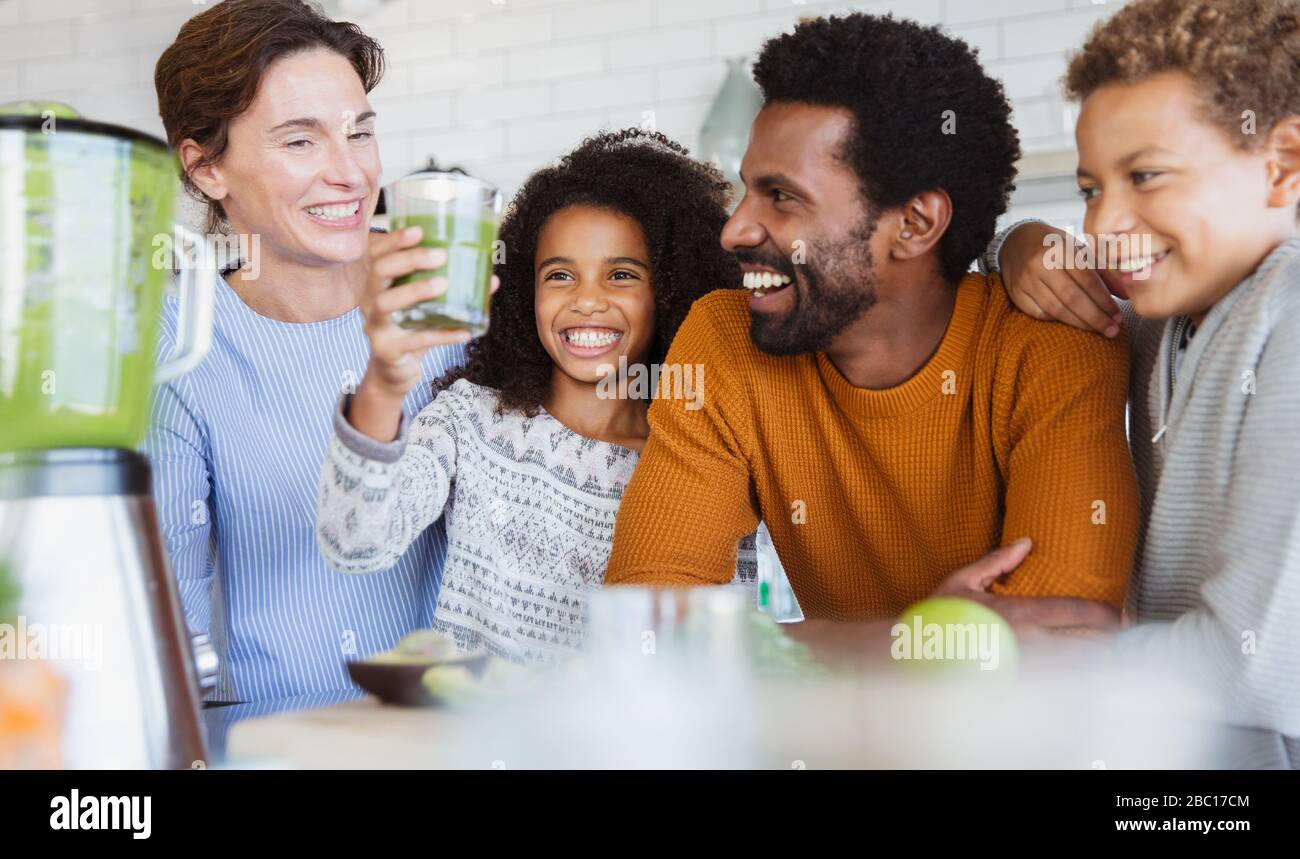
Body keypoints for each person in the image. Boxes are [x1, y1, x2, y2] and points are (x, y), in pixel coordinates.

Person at [605, 13, 1139, 647]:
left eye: (781, 196)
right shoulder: (725, 338)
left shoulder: (1052, 342)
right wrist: (910, 638)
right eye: (746, 191)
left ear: (914, 224)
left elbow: (1056, 643)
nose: (735, 231)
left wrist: (791, 647)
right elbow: (645, 628)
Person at [986, 0, 1300, 767]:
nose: (1103, 226)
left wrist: (1009, 659)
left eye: (1146, 176)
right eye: (1093, 188)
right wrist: (1016, 243)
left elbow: (1254, 667)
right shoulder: (1174, 310)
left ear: (1282, 165)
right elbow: (1028, 266)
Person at [316, 130, 744, 663]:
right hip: (487, 739)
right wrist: (384, 379)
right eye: (560, 274)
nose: (587, 300)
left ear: (673, 290)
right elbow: (354, 542)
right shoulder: (470, 422)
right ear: (526, 289)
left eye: (622, 275)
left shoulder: (706, 457)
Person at [147, 0, 470, 701]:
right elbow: (172, 625)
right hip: (278, 742)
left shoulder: (452, 296)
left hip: (466, 736)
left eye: (359, 132)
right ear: (207, 170)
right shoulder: (179, 346)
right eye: (301, 142)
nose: (351, 174)